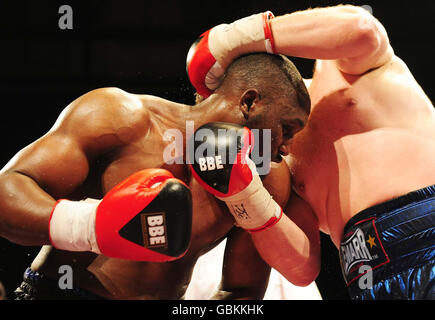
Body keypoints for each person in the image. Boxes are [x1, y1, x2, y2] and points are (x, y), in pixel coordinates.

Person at [0, 52, 311, 300]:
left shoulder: (266, 181)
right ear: (249, 102)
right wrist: (91, 226)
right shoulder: (123, 117)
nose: (285, 149)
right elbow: (7, 190)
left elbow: (242, 290)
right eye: (286, 128)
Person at [186, 5, 435, 299]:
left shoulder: (337, 69)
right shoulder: (278, 166)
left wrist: (232, 39)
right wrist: (246, 197)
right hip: (366, 278)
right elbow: (303, 269)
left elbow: (362, 29)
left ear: (249, 99)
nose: (241, 143)